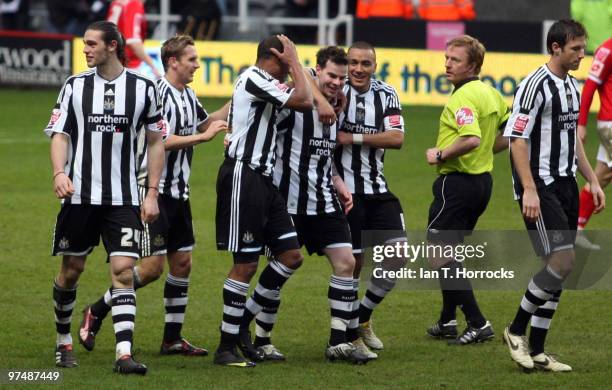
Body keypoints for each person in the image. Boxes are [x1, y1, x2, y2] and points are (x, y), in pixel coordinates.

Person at [77, 35, 229, 357]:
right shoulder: (158, 93)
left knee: (183, 263)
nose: (197, 65)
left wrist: (237, 101)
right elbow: (158, 139)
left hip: (180, 193)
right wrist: (201, 138)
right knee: (150, 269)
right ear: (173, 61)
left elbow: (203, 121)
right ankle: (98, 309)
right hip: (152, 190)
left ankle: (172, 338)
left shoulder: (187, 94)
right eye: (191, 59)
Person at [46, 20, 164, 374]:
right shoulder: (74, 86)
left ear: (113, 45)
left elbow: (157, 142)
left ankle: (123, 354)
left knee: (124, 271)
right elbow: (59, 134)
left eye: (92, 44)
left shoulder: (144, 88)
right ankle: (63, 342)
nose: (85, 50)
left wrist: (152, 192)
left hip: (124, 198)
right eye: (84, 44)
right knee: (71, 271)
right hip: (80, 196)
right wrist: (59, 172)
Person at [242, 46, 372, 364]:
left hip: (324, 200)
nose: (337, 83)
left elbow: (323, 153)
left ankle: (338, 341)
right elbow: (261, 124)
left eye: (342, 78)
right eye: (331, 76)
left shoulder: (336, 104)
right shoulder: (294, 100)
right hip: (287, 202)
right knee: (282, 269)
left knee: (346, 263)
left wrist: (338, 182)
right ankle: (255, 334)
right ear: (316, 71)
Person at [502, 19, 605, 373]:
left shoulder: (571, 87)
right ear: (556, 47)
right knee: (562, 262)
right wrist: (529, 189)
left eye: (583, 47)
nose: (582, 54)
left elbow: (572, 140)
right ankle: (516, 331)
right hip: (540, 185)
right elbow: (516, 140)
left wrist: (591, 179)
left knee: (557, 269)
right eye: (576, 48)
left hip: (565, 184)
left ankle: (540, 351)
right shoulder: (533, 86)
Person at [214, 34, 312, 367]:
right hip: (244, 174)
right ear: (275, 56)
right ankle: (226, 348)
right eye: (286, 60)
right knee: (245, 263)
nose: (290, 67)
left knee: (291, 255)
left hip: (265, 181)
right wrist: (297, 63)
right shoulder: (254, 77)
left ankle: (240, 324)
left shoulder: (268, 85)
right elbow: (305, 100)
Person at [424, 35, 509, 345]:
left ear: (472, 65)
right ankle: (448, 319)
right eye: (447, 57)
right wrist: (484, 150)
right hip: (482, 183)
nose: (447, 63)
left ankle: (477, 321)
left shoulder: (462, 98)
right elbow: (508, 135)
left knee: (438, 252)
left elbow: (471, 137)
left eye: (455, 59)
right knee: (450, 252)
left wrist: (440, 154)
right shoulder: (493, 94)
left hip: (457, 184)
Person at [334, 41, 406, 355]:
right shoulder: (334, 92)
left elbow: (397, 138)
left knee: (399, 254)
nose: (359, 69)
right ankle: (348, 333)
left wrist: (352, 137)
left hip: (378, 189)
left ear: (374, 66)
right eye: (354, 63)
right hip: (347, 193)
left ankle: (362, 317)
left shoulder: (386, 94)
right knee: (353, 263)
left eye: (366, 63)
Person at [575, 37, 612, 250]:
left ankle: (573, 230)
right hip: (610, 122)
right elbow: (589, 86)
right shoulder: (607, 49)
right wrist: (581, 124)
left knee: (601, 176)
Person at [107, 0, 161, 78]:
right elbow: (133, 42)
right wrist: (153, 66)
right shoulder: (134, 4)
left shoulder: (116, 2)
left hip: (110, 63)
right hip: (127, 66)